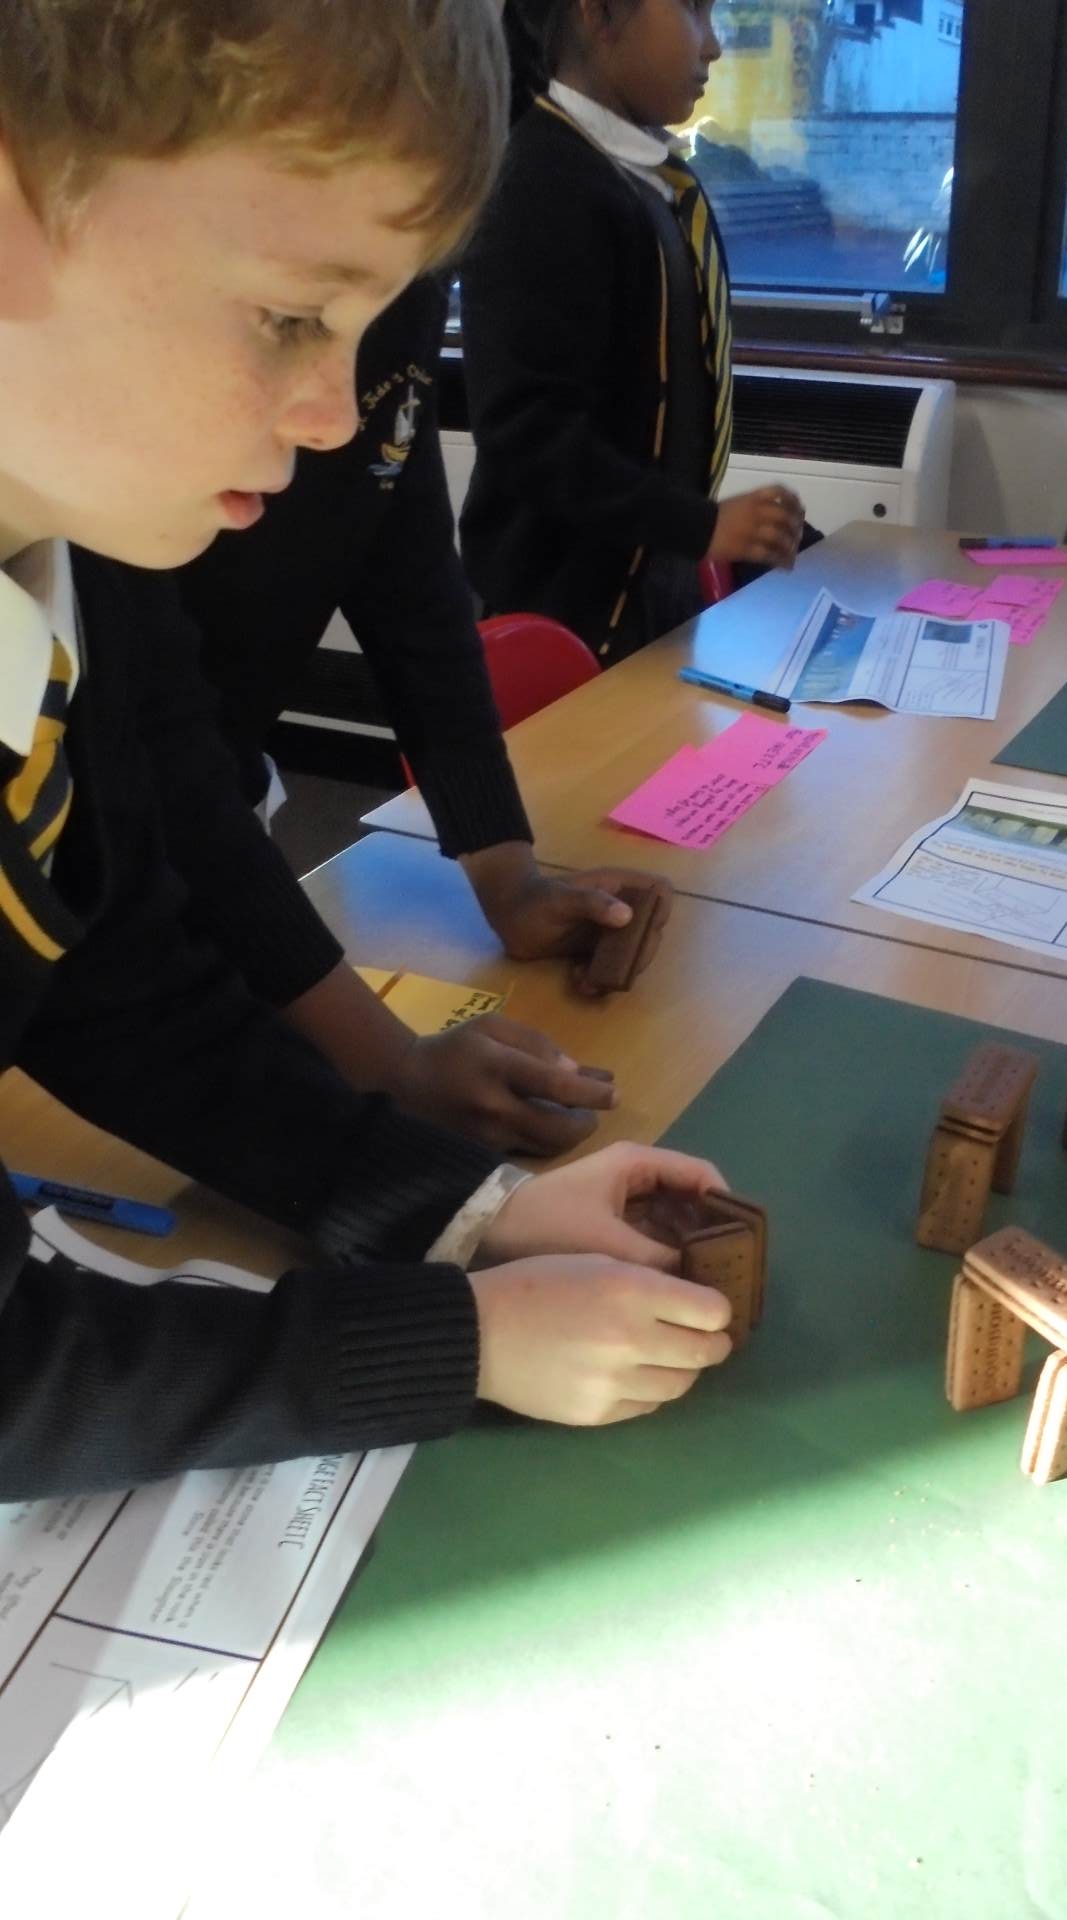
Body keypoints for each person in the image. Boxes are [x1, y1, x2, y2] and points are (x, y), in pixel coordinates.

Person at [0, 0, 734, 1502]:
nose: (337, 418)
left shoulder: (73, 572)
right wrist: (456, 1343)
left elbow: (119, 985)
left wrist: (469, 1214)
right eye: (290, 317)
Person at [161, 268, 673, 1156]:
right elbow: (154, 756)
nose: (337, 421)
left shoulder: (397, 291)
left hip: (205, 826)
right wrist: (387, 1060)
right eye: (292, 323)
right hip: (147, 820)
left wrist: (508, 877)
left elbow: (418, 601)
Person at [458, 0, 806, 664]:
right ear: (598, 14)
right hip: (563, 618)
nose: (713, 46)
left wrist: (736, 531)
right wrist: (699, 524)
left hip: (647, 598)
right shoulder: (541, 182)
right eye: (693, 11)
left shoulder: (646, 180)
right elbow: (527, 434)